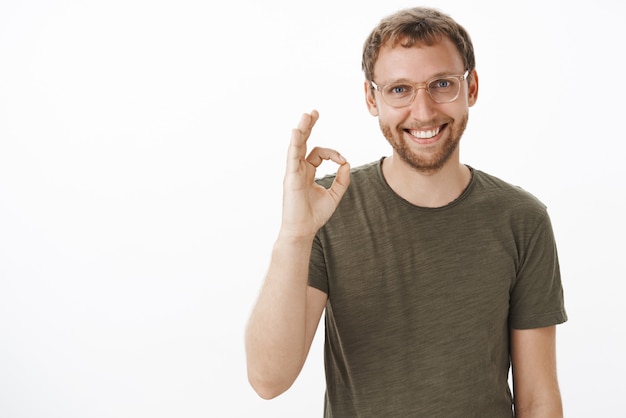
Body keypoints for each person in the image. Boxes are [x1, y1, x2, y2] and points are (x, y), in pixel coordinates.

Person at [245, 6, 567, 417]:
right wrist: (295, 235)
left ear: (471, 88)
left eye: (441, 84)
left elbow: (539, 398)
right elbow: (268, 380)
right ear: (371, 98)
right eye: (399, 89)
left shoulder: (522, 219)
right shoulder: (327, 209)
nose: (423, 111)